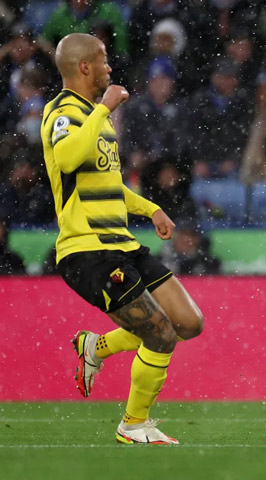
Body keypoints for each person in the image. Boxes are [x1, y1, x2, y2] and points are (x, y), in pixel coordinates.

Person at [40, 33, 204, 445]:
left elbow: (108, 184)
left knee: (188, 323)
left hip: (122, 244)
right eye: (104, 61)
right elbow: (67, 158)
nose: (110, 68)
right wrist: (105, 108)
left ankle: (96, 347)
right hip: (87, 251)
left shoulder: (96, 118)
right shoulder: (62, 112)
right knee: (160, 335)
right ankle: (134, 425)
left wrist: (151, 209)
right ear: (84, 67)